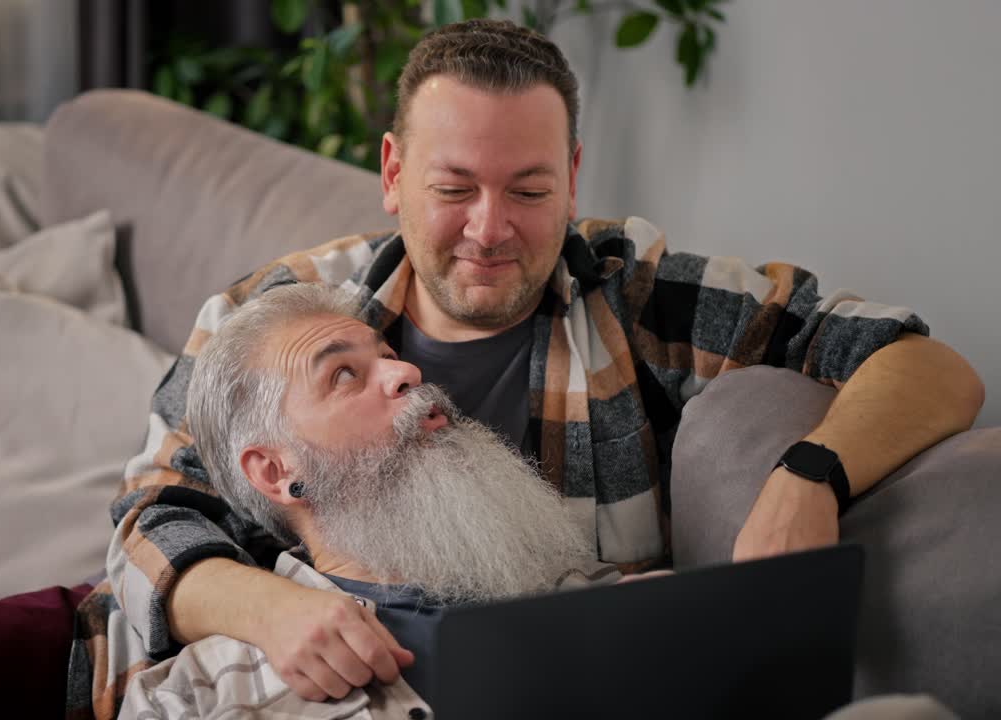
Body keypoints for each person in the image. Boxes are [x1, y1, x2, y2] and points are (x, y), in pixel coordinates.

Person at [66, 18, 984, 720]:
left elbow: (923, 360)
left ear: (574, 177)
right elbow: (149, 529)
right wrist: (270, 611)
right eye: (454, 188)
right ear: (392, 174)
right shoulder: (272, 318)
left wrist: (811, 474)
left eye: (532, 190)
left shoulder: (632, 289)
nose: (491, 229)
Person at [116, 282, 608, 718]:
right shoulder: (188, 698)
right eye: (344, 375)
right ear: (275, 470)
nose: (407, 373)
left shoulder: (604, 607)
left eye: (389, 356)